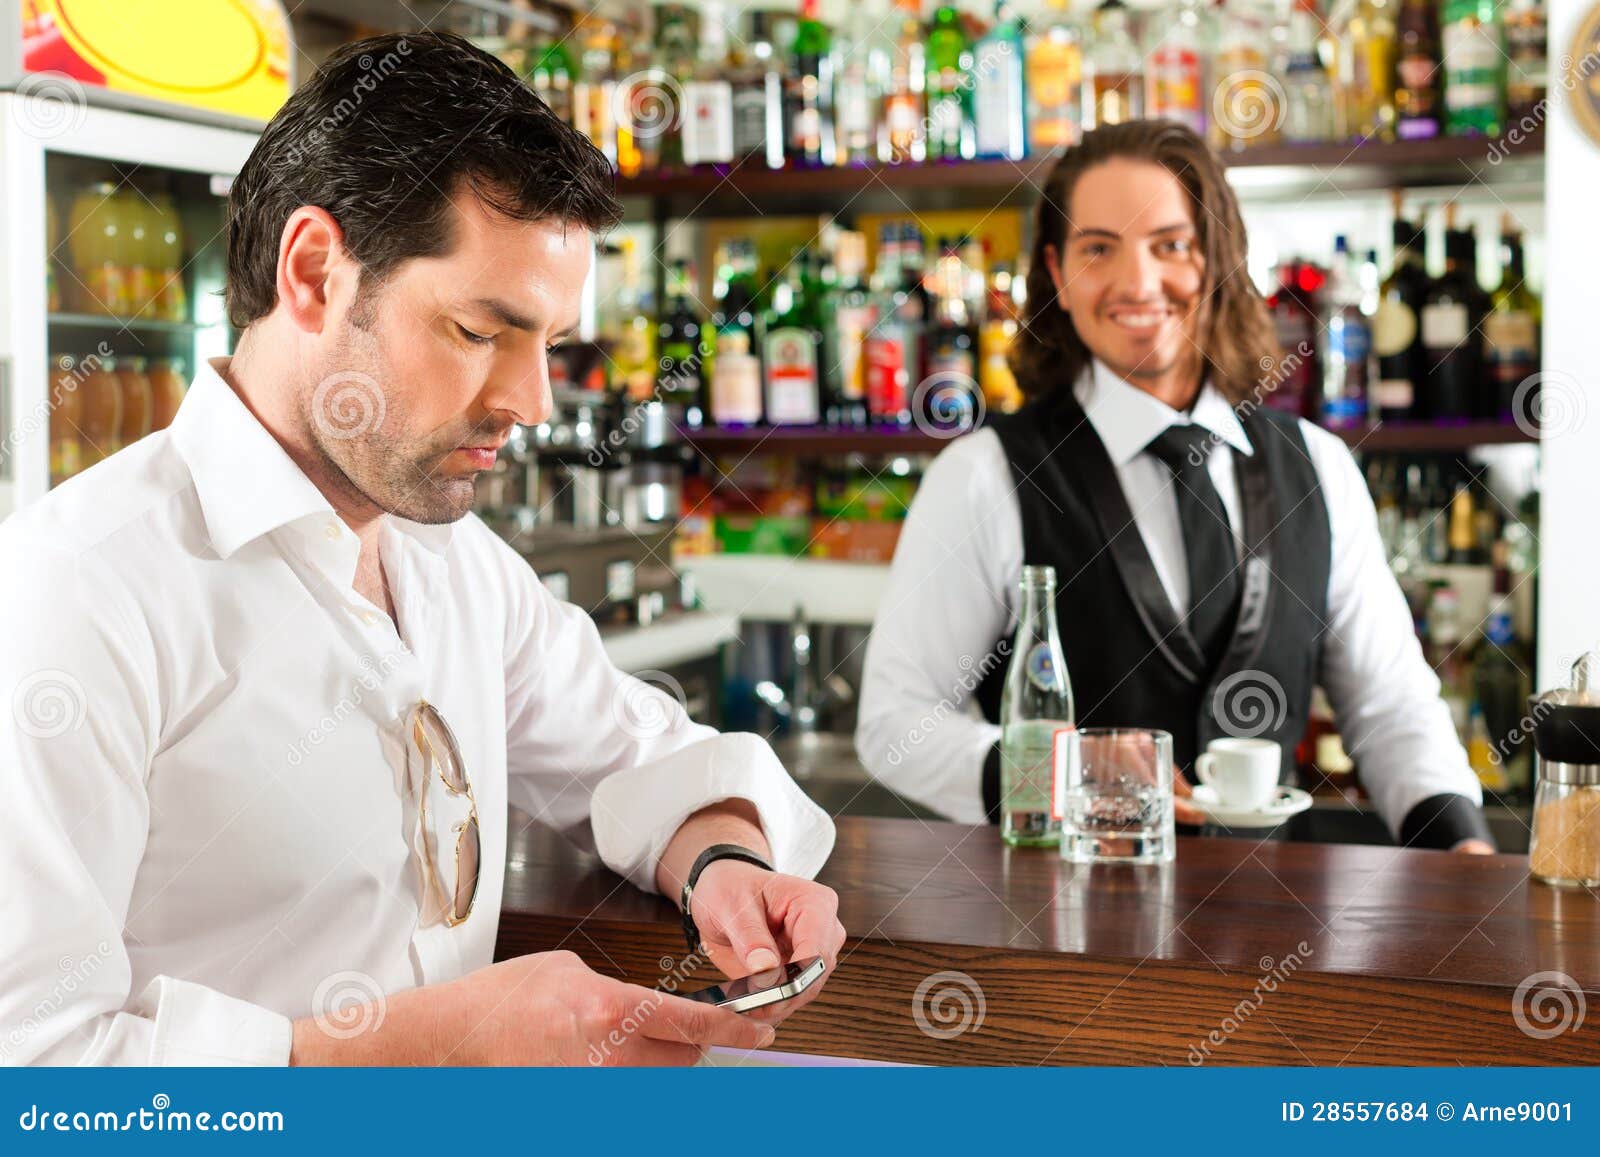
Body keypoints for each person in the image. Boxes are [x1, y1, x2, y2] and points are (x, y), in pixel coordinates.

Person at [0, 33, 843, 1067]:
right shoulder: (76, 589)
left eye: (550, 346)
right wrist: (430, 1045)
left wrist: (719, 855)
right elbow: (31, 1077)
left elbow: (632, 751)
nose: (531, 401)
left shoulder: (453, 561)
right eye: (481, 331)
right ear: (314, 271)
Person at [856, 120, 1494, 854]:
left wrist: (1463, 847)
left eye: (1170, 244)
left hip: (1280, 931)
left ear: (1218, 262)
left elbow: (1389, 706)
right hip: (1060, 942)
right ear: (1058, 275)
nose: (1138, 283)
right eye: (1100, 248)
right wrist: (1059, 771)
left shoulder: (1318, 464)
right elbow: (894, 722)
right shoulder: (984, 475)